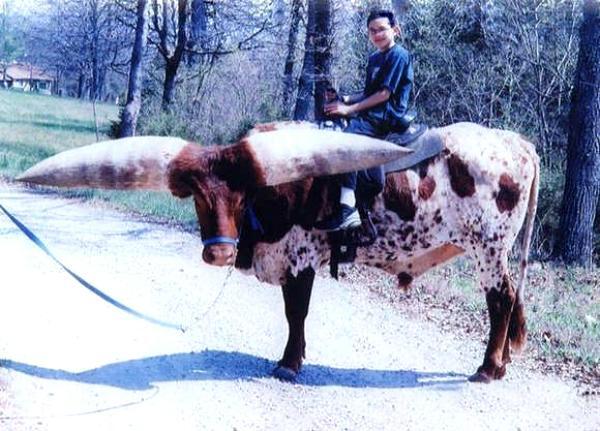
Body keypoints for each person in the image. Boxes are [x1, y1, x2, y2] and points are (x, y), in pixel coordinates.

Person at [315, 9, 414, 231]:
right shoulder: (374, 58)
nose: (377, 34)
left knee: (347, 141)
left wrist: (349, 110)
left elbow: (384, 95)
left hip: (387, 115)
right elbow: (370, 92)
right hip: (371, 113)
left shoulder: (399, 55)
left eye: (382, 29)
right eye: (372, 31)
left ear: (394, 30)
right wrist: (344, 99)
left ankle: (347, 209)